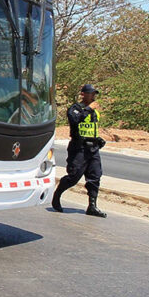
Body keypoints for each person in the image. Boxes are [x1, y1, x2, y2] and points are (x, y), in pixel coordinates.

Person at [51, 84, 107, 217]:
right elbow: (75, 121)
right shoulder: (75, 109)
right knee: (74, 176)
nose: (93, 96)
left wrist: (97, 139)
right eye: (91, 93)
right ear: (83, 94)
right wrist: (88, 109)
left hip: (92, 148)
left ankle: (92, 206)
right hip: (79, 148)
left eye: (94, 94)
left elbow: (89, 127)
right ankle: (57, 195)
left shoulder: (94, 111)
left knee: (95, 176)